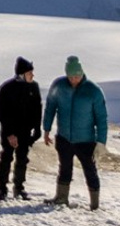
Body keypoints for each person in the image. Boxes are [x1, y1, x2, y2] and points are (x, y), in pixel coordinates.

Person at [44, 55, 109, 207]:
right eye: (71, 77)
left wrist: (101, 142)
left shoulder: (93, 91)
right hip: (64, 138)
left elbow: (101, 118)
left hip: (86, 140)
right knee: (64, 168)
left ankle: (94, 204)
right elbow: (50, 107)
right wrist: (46, 129)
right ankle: (61, 198)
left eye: (77, 76)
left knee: (90, 170)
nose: (74, 80)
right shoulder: (58, 86)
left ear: (82, 73)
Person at [0, 56, 41, 200]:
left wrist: (37, 128)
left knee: (22, 159)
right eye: (29, 73)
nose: (32, 75)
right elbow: (2, 112)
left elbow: (37, 108)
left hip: (25, 131)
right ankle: (1, 187)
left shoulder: (34, 87)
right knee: (6, 158)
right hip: (10, 131)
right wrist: (10, 133)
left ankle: (19, 188)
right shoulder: (7, 88)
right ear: (21, 74)